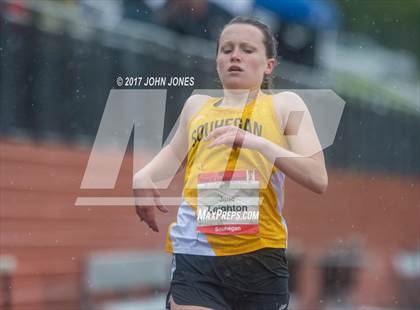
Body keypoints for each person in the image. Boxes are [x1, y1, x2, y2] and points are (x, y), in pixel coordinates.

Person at [133, 16, 328, 310]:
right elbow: (170, 158)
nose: (235, 55)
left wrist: (255, 142)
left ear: (269, 65)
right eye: (227, 49)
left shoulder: (286, 105)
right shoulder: (197, 106)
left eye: (247, 50)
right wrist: (142, 177)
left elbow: (317, 178)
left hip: (260, 256)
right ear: (217, 61)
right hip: (196, 254)